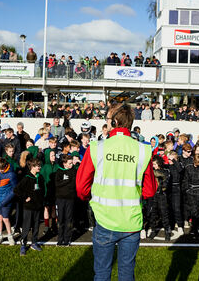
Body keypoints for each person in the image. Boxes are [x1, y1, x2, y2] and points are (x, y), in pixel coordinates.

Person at [76, 103, 156, 281]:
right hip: (131, 222)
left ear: (114, 121)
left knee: (102, 274)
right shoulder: (143, 150)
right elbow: (150, 191)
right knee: (127, 275)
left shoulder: (97, 147)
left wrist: (89, 197)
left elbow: (81, 187)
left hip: (105, 220)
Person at [14, 158, 45, 254]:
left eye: (40, 165)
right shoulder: (27, 178)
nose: (39, 167)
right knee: (26, 226)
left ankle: (34, 243)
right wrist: (25, 197)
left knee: (36, 226)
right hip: (28, 207)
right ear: (32, 167)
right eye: (37, 166)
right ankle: (23, 244)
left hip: (38, 206)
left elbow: (42, 190)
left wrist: (41, 201)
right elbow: (17, 190)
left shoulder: (40, 177)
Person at [0, 157, 17, 246]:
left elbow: (14, 190)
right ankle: (0, 236)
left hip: (6, 202)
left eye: (2, 169)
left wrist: (5, 200)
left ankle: (10, 236)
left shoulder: (11, 175)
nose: (0, 171)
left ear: (6, 166)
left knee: (6, 219)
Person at [55, 154, 78, 246]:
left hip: (70, 199)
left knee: (69, 219)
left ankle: (67, 239)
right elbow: (57, 184)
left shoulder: (74, 171)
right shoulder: (59, 171)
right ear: (64, 163)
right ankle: (60, 239)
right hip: (60, 199)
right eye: (70, 163)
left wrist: (64, 182)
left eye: (72, 163)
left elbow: (73, 184)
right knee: (60, 219)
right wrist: (67, 181)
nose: (71, 164)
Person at [147, 156, 171, 241]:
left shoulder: (165, 171)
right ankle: (153, 231)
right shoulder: (152, 171)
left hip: (161, 195)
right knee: (152, 214)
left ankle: (167, 232)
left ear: (159, 164)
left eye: (154, 164)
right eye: (152, 164)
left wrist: (161, 188)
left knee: (164, 214)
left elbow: (166, 182)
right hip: (153, 195)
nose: (153, 166)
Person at [183, 151, 199, 236]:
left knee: (198, 210)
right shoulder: (188, 167)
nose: (197, 164)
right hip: (190, 191)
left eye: (198, 163)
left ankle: (197, 226)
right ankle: (194, 227)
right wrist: (187, 189)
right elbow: (185, 179)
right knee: (193, 210)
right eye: (196, 162)